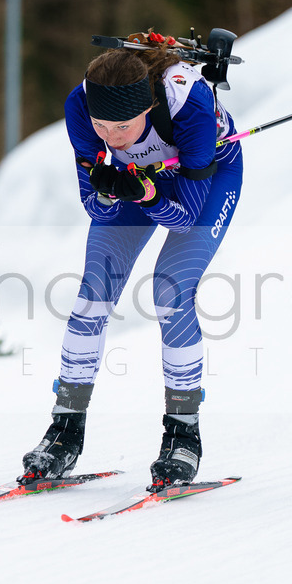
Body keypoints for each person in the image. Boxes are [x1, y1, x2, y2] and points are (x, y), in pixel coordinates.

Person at [19, 31, 244, 491]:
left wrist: (147, 194)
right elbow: (96, 208)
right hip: (140, 180)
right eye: (102, 127)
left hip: (206, 178)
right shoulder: (80, 108)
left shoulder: (190, 107)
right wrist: (107, 187)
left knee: (170, 292)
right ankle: (64, 431)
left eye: (122, 127)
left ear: (146, 108)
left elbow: (181, 218)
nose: (111, 137)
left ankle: (183, 438)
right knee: (91, 298)